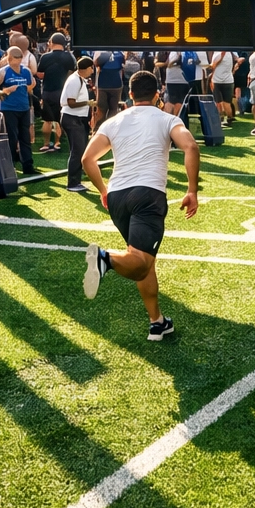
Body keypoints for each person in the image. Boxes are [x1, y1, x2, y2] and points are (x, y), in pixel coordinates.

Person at [81, 70, 200, 341]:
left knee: (143, 260)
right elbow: (191, 147)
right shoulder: (167, 118)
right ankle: (104, 259)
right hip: (148, 195)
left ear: (130, 94)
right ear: (158, 95)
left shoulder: (114, 121)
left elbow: (87, 159)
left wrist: (103, 190)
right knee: (139, 262)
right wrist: (192, 190)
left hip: (118, 196)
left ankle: (157, 322)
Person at [0, 46, 38, 175]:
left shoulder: (26, 71)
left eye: (19, 58)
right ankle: (10, 166)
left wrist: (27, 90)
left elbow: (30, 85)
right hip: (8, 109)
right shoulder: (2, 72)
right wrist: (5, 91)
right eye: (15, 58)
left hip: (24, 108)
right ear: (9, 58)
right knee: (11, 138)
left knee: (25, 138)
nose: (17, 61)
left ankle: (27, 165)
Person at [36, 33, 76, 154]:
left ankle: (46, 144)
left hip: (48, 91)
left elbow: (40, 74)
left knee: (47, 120)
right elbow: (72, 73)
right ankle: (58, 143)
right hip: (63, 91)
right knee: (60, 118)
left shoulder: (45, 57)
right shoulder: (69, 57)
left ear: (51, 43)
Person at [60, 56, 95, 192]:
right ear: (86, 68)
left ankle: (76, 181)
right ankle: (73, 183)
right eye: (91, 68)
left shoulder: (78, 79)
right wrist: (88, 103)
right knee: (77, 151)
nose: (92, 70)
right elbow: (71, 103)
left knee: (79, 150)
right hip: (72, 118)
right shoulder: (75, 80)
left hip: (76, 119)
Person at [93, 49, 126, 124]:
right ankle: (111, 127)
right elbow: (123, 66)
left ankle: (98, 128)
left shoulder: (99, 51)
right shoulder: (120, 53)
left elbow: (96, 65)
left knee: (101, 109)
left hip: (102, 84)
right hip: (116, 84)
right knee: (113, 109)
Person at [208, 49, 238, 122]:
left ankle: (221, 118)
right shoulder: (230, 54)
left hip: (217, 81)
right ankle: (229, 118)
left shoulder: (218, 54)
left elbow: (212, 66)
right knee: (227, 103)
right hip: (229, 81)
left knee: (218, 102)